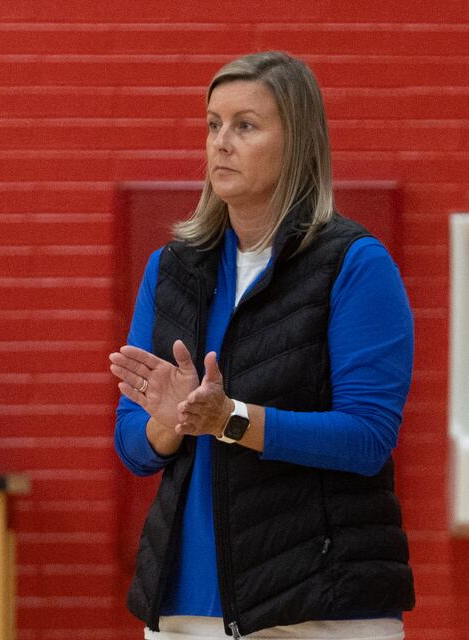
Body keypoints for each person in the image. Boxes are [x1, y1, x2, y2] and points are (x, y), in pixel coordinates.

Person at [110, 51, 415, 640]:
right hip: (185, 605)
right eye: (213, 124)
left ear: (297, 143)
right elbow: (133, 441)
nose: (221, 142)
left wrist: (231, 420)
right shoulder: (172, 269)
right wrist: (168, 423)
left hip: (320, 606)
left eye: (245, 126)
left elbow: (368, 438)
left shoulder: (355, 265)